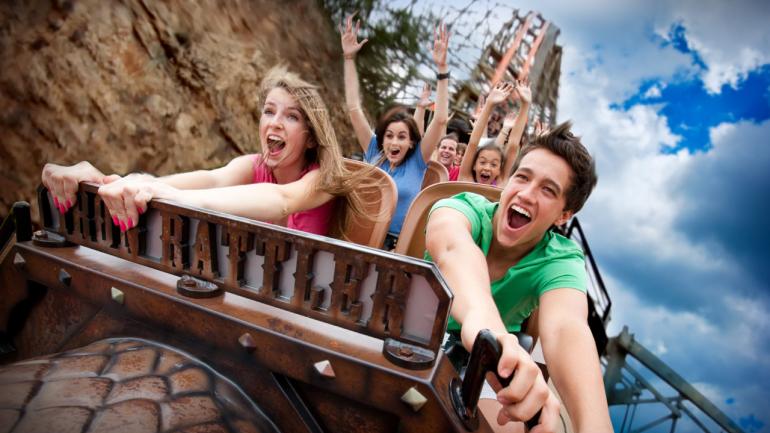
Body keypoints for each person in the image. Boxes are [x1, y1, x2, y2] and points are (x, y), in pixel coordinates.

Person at [425, 122, 612, 433]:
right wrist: (496, 339)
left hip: (492, 369)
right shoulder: (459, 208)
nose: (526, 193)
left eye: (547, 190)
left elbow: (568, 329)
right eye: (522, 177)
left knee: (509, 427)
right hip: (419, 335)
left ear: (564, 215)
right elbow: (454, 250)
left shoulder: (561, 258)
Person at [42, 66, 370, 237]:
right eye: (269, 111)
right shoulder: (252, 165)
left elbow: (282, 199)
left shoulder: (322, 179)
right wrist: (113, 180)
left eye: (292, 116)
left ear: (311, 138)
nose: (275, 123)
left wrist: (172, 197)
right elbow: (210, 181)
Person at [341, 13, 449, 249]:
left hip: (395, 245)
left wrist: (442, 70)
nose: (394, 142)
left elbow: (440, 120)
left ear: (411, 143)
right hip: (361, 237)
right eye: (389, 136)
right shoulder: (373, 151)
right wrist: (349, 58)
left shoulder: (417, 162)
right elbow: (353, 108)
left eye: (401, 136)